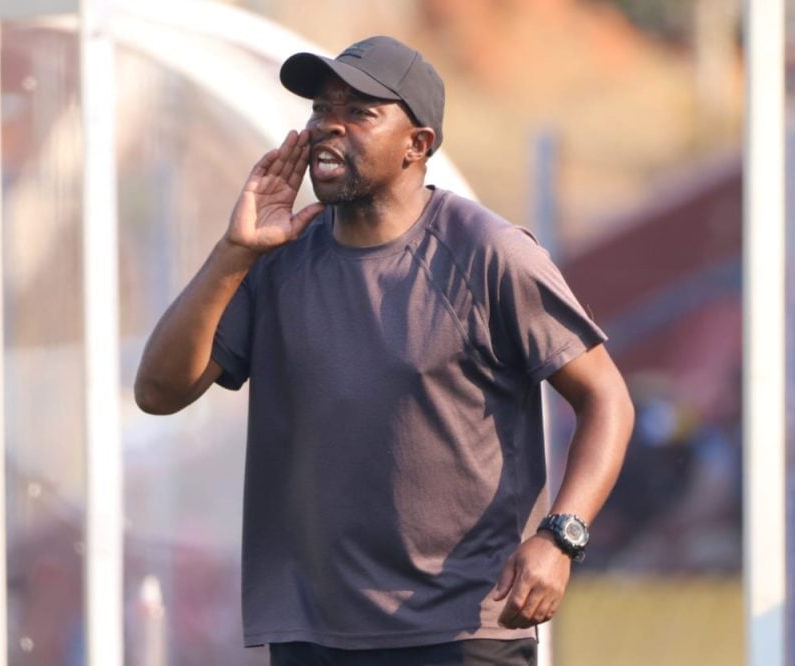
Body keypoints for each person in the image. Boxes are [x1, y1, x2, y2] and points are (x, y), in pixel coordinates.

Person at [135, 35, 634, 666]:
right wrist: (235, 252)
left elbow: (608, 398)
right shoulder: (274, 259)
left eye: (359, 112)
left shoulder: (489, 253)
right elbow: (157, 393)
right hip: (312, 631)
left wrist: (561, 538)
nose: (327, 128)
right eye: (321, 109)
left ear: (417, 145)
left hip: (463, 628)